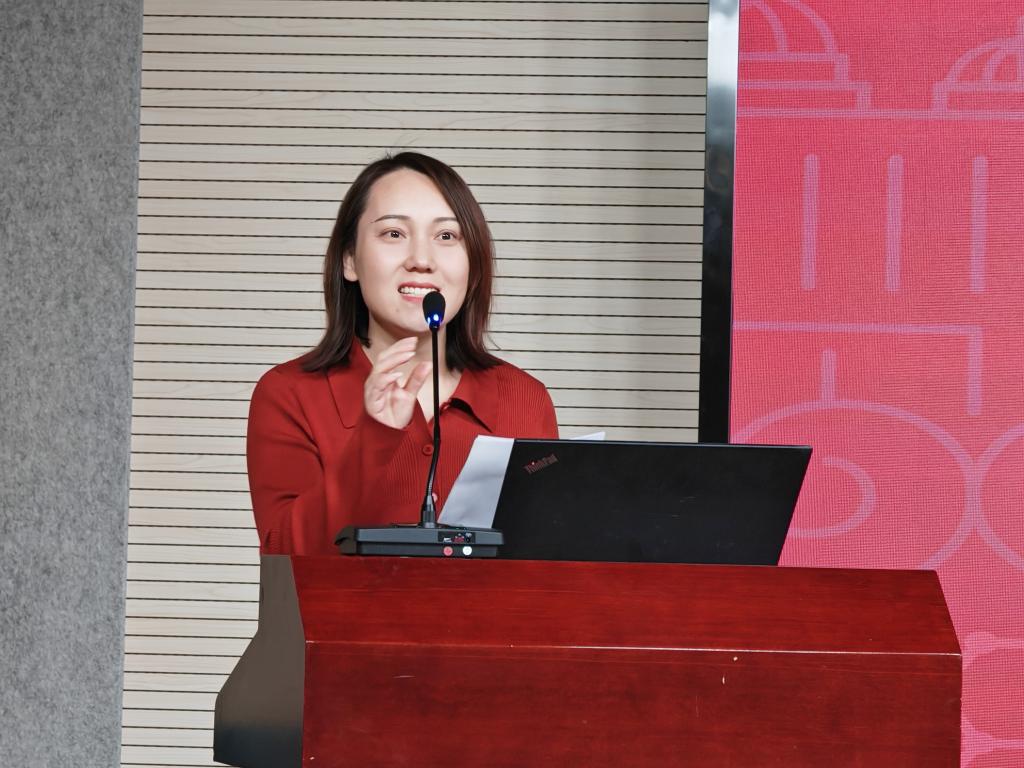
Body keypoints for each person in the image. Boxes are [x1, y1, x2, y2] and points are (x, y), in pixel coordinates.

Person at [246, 152, 559, 555]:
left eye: (446, 236)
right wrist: (374, 439)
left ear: (473, 267)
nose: (421, 261)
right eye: (394, 233)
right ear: (349, 260)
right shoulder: (290, 393)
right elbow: (284, 556)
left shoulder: (524, 398)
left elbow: (545, 563)